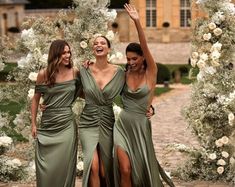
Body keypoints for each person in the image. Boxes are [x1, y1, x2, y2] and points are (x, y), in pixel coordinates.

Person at [113, 4, 175, 187]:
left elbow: (145, 45)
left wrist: (137, 21)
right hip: (122, 125)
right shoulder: (123, 74)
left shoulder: (151, 72)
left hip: (141, 126)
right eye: (128, 59)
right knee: (124, 169)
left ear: (142, 58)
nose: (131, 62)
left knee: (139, 169)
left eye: (134, 58)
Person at [31, 39, 81, 187]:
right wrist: (33, 124)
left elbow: (85, 92)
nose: (67, 55)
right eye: (63, 53)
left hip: (66, 125)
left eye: (68, 52)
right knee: (46, 167)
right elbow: (35, 100)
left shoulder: (75, 72)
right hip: (47, 125)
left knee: (65, 165)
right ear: (55, 55)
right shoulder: (43, 74)